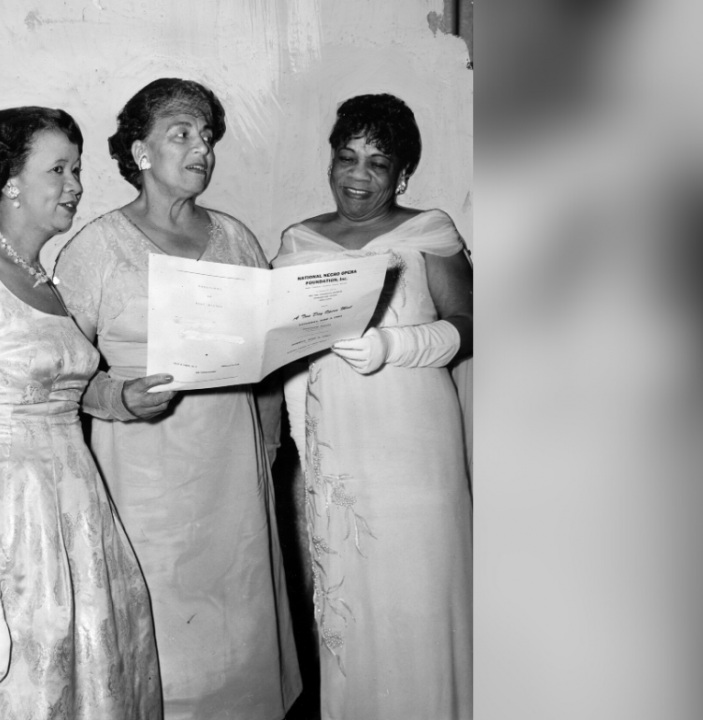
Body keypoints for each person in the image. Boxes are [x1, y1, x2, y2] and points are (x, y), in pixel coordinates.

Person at [55, 79, 301, 720]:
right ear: (140, 152)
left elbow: (267, 360)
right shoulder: (95, 248)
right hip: (142, 471)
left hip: (230, 467)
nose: (202, 149)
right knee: (160, 632)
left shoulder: (237, 239)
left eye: (208, 137)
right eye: (183, 134)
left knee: (237, 621)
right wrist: (115, 398)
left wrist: (268, 451)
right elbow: (55, 372)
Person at [0, 107, 161, 719]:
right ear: (9, 180)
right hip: (4, 521)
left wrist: (120, 399)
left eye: (77, 169)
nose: (77, 185)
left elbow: (58, 391)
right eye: (59, 169)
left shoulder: (46, 280)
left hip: (75, 514)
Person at [275, 93, 473, 720]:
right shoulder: (298, 241)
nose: (358, 176)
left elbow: (476, 322)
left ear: (403, 174)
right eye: (347, 157)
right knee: (352, 602)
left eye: (378, 163)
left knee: (419, 592)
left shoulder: (428, 230)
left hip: (415, 445)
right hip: (337, 444)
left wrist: (398, 344)